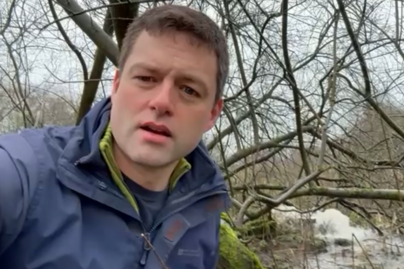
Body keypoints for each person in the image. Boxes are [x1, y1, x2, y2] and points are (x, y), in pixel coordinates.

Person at [0, 4, 231, 269]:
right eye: (146, 78)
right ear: (117, 85)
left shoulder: (204, 207)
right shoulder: (22, 175)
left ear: (212, 113)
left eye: (189, 90)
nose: (162, 102)